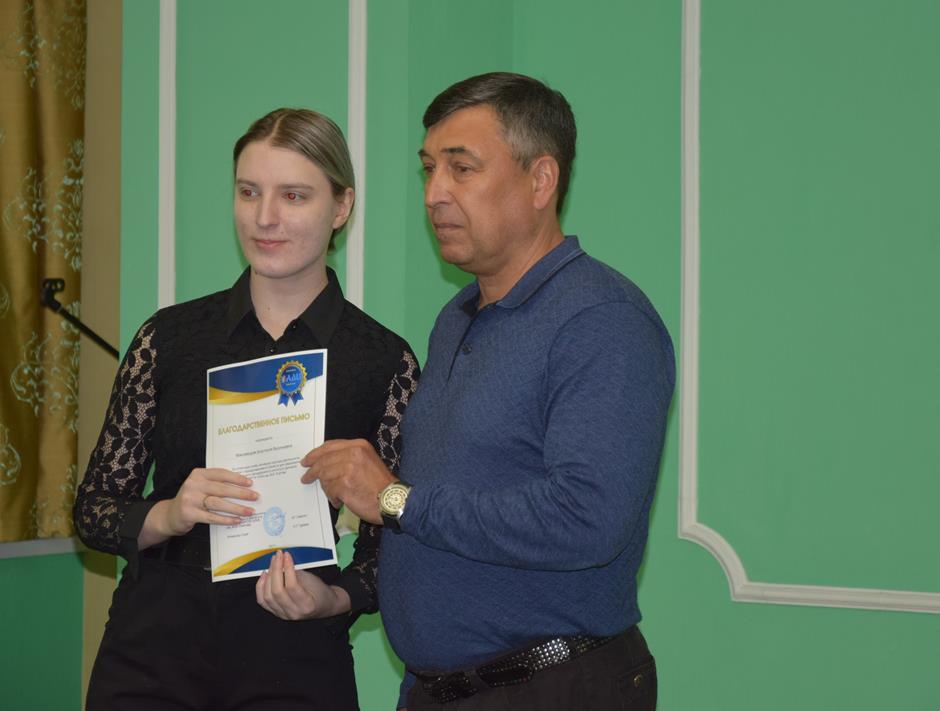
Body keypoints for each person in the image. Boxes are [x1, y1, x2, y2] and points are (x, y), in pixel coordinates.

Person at [302, 72, 675, 711]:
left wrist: (393, 498)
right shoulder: (455, 319)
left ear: (541, 180)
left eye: (462, 168)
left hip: (553, 688)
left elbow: (587, 520)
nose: (434, 194)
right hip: (438, 690)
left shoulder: (603, 319)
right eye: (428, 170)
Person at [74, 108, 419, 710]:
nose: (265, 217)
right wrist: (169, 514)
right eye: (249, 192)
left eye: (294, 195)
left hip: (295, 654)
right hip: (153, 649)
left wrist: (332, 599)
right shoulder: (170, 337)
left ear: (341, 206)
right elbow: (94, 510)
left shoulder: (382, 360)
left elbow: (394, 544)